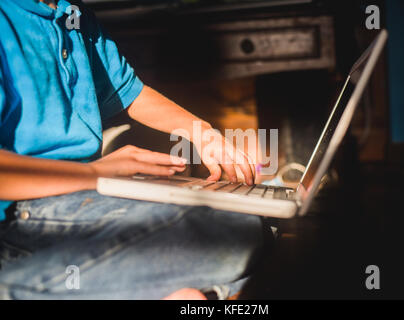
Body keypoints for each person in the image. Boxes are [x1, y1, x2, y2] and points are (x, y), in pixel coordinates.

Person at [0, 0, 264, 299]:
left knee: (247, 223)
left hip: (86, 197)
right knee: (227, 232)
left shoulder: (75, 14)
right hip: (22, 211)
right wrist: (95, 172)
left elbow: (128, 91)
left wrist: (203, 133)